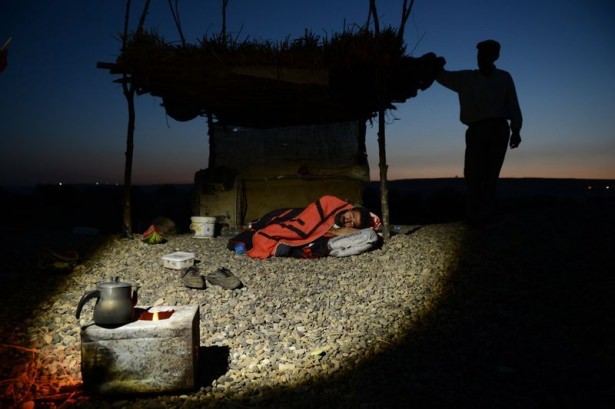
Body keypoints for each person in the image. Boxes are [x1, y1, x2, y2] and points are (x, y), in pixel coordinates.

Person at [436, 39, 523, 227]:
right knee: (473, 173)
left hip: (498, 129)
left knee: (490, 173)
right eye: (479, 54)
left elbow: (513, 104)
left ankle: (484, 214)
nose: (480, 58)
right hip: (477, 129)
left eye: (484, 54)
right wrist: (435, 65)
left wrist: (516, 129)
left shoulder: (503, 78)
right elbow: (442, 76)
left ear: (495, 56)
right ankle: (475, 214)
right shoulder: (467, 78)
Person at [228, 195, 382, 259]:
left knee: (370, 236)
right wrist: (333, 231)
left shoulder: (346, 227)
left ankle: (329, 248)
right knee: (275, 229)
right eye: (351, 216)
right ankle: (285, 245)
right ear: (350, 208)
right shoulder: (331, 203)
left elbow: (369, 230)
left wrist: (341, 231)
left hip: (321, 243)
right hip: (307, 234)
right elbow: (306, 222)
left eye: (352, 223)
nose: (348, 220)